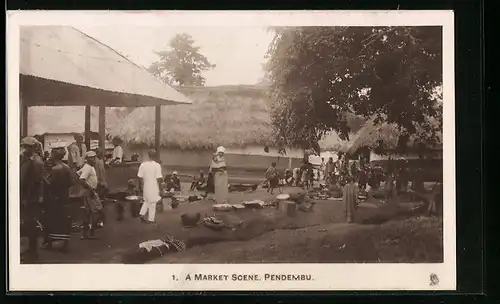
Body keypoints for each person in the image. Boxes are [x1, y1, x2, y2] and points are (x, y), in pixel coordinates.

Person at [41, 141, 74, 252]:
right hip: (64, 196)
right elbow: (71, 182)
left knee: (51, 220)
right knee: (64, 220)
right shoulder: (66, 167)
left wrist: (43, 177)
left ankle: (49, 242)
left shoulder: (54, 170)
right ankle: (66, 244)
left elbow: (49, 184)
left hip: (53, 198)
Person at [20, 137, 44, 262]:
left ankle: (33, 252)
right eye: (25, 147)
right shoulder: (28, 160)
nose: (25, 149)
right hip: (27, 196)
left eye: (28, 147)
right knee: (29, 223)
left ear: (34, 148)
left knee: (31, 224)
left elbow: (35, 183)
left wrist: (26, 198)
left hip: (31, 198)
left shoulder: (36, 162)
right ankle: (31, 249)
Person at [77, 151, 103, 239]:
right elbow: (81, 180)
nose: (93, 159)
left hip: (87, 191)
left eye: (94, 157)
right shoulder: (88, 167)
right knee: (97, 210)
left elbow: (78, 174)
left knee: (88, 212)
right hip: (90, 191)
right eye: (91, 158)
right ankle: (92, 231)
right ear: (87, 159)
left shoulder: (87, 167)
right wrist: (90, 188)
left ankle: (86, 233)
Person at [137, 150, 163, 224]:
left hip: (146, 186)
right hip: (154, 186)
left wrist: (142, 185)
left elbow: (140, 177)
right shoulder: (157, 165)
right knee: (152, 203)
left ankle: (141, 214)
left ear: (148, 155)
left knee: (147, 201)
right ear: (155, 156)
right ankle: (151, 219)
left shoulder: (143, 165)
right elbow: (159, 178)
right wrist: (161, 188)